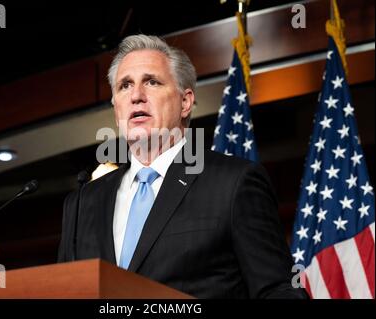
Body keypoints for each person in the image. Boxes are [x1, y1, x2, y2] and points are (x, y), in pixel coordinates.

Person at [58, 34, 308, 299]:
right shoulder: (83, 202)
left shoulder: (233, 183)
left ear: (186, 102)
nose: (136, 96)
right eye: (124, 86)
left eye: (152, 82)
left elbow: (280, 291)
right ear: (115, 107)